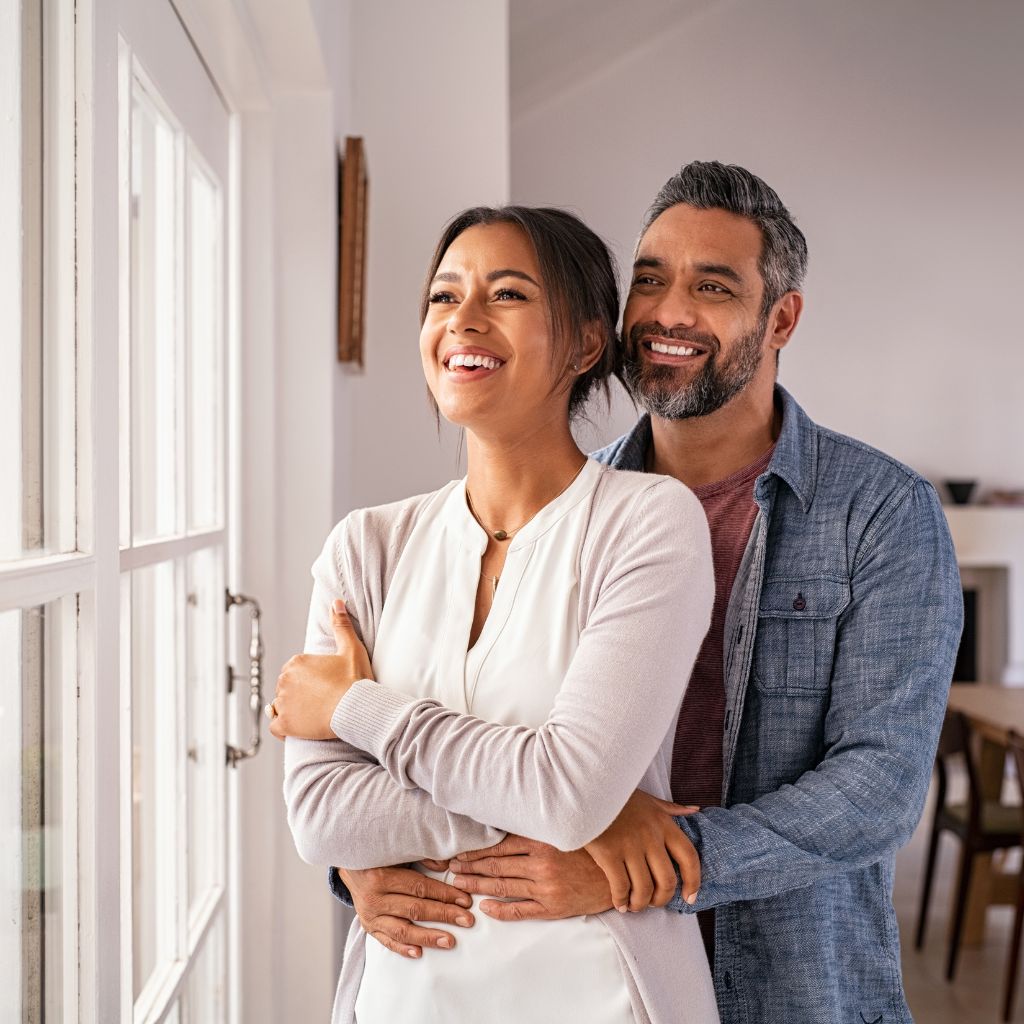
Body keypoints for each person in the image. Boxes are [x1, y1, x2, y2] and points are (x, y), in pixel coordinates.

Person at [330, 163, 964, 1024]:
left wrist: (658, 860)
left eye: (712, 286)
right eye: (651, 281)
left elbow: (879, 786)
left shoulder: (879, 512)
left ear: (782, 318)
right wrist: (363, 861)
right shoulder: (564, 513)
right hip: (582, 976)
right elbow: (479, 737)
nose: (668, 313)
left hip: (796, 985)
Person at [269, 205, 721, 1023]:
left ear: (586, 343)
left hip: (602, 995)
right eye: (443, 297)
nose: (462, 321)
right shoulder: (364, 547)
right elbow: (321, 818)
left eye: (506, 294)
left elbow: (570, 789)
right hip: (400, 999)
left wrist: (351, 709)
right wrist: (564, 802)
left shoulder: (649, 522)